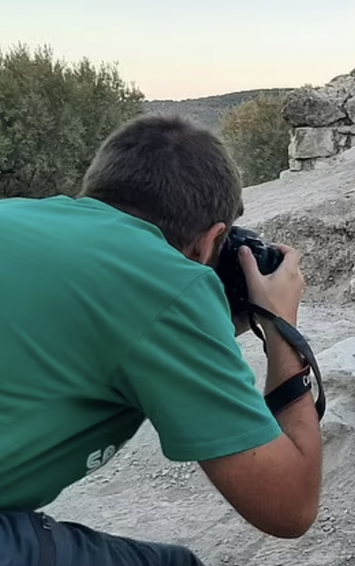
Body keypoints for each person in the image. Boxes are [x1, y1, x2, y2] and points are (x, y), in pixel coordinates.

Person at [0, 113, 323, 565]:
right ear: (209, 241)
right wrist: (280, 328)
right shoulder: (168, 285)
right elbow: (289, 507)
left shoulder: (16, 214)